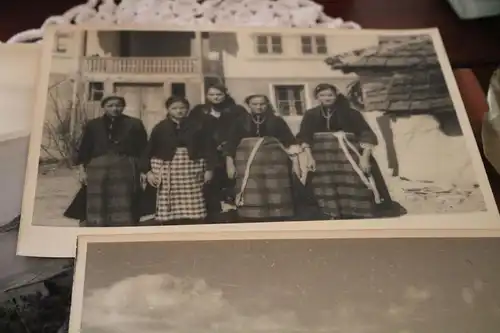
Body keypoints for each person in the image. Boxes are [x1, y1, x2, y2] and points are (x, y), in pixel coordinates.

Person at [296, 83, 385, 219]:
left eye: (330, 95)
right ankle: (329, 213)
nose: (326, 98)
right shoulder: (310, 114)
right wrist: (309, 157)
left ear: (336, 95)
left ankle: (356, 212)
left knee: (355, 182)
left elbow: (366, 134)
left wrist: (364, 157)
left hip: (348, 154)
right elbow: (305, 136)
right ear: (317, 97)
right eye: (322, 95)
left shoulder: (351, 113)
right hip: (322, 156)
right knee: (324, 185)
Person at [64, 95, 148, 227]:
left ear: (123, 107)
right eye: (110, 106)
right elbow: (85, 149)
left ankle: (124, 227)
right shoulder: (93, 125)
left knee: (125, 199)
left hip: (125, 168)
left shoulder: (135, 124)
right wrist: (82, 170)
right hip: (98, 170)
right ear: (103, 107)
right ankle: (98, 226)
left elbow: (143, 148)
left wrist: (144, 171)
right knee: (98, 200)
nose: (115, 109)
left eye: (118, 105)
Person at [140, 96, 218, 224]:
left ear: (187, 109)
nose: (179, 111)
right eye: (174, 108)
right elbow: (149, 150)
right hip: (168, 170)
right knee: (169, 206)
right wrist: (148, 172)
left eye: (182, 108)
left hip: (192, 170)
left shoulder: (198, 126)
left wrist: (209, 169)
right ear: (168, 109)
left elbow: (209, 148)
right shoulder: (160, 127)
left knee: (194, 203)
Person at [224, 94, 301, 222]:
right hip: (248, 164)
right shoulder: (240, 121)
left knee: (275, 192)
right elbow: (231, 144)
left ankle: (277, 218)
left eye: (262, 104)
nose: (259, 107)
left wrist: (296, 162)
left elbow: (289, 142)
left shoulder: (277, 121)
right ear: (249, 105)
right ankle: (253, 219)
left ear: (267, 104)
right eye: (255, 104)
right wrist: (229, 164)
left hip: (275, 164)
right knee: (252, 193)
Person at [190, 83, 247, 220]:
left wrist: (228, 144)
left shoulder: (236, 110)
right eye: (212, 95)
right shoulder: (200, 111)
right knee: (209, 183)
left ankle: (233, 213)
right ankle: (212, 214)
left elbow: (243, 129)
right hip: (207, 152)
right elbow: (193, 131)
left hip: (231, 151)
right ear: (207, 95)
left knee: (231, 181)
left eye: (219, 94)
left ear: (225, 94)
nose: (215, 97)